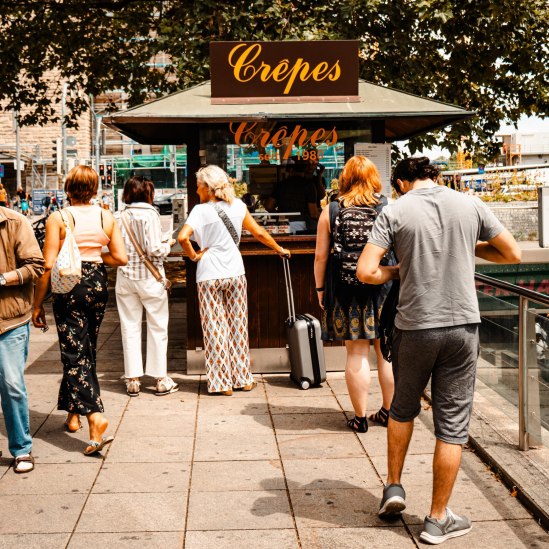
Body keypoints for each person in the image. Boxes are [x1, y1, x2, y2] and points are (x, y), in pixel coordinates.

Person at [357, 157, 521, 544]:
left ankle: (394, 487)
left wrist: (398, 270)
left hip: (413, 327)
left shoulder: (395, 210)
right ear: (437, 176)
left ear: (399, 183)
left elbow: (366, 272)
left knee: (402, 409)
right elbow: (511, 253)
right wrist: (466, 248)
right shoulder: (470, 204)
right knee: (452, 426)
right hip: (463, 327)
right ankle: (436, 518)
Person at [32, 165, 128, 456]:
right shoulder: (106, 216)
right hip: (98, 283)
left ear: (68, 188)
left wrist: (37, 303)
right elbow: (120, 257)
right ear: (96, 188)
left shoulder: (58, 218)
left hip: (68, 286)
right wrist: (94, 254)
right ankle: (72, 415)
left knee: (73, 352)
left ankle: (94, 416)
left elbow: (48, 265)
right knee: (85, 349)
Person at [178, 165, 291, 395]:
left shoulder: (200, 211)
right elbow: (259, 233)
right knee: (238, 328)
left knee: (215, 329)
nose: (197, 189)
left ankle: (222, 383)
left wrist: (194, 256)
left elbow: (182, 237)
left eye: (199, 185)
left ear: (208, 188)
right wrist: (279, 249)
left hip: (209, 275)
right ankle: (243, 379)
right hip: (236, 273)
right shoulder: (238, 206)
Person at [314, 155, 394, 434]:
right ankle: (389, 412)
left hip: (346, 288)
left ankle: (359, 418)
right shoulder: (387, 207)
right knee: (385, 352)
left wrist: (320, 289)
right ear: (374, 178)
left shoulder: (332, 210)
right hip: (384, 286)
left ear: (345, 179)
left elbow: (321, 257)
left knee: (356, 353)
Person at [115, 176, 179, 397]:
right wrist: (167, 244)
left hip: (125, 278)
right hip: (150, 280)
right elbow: (154, 249)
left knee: (129, 326)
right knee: (158, 326)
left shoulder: (119, 215)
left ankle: (132, 379)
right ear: (148, 193)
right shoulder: (151, 214)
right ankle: (160, 378)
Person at [0, 206, 44, 473]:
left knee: (12, 384)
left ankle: (22, 449)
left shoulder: (15, 222)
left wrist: (4, 278)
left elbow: (36, 266)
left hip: (10, 320)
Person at [266, 161, 320, 233]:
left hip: (282, 224)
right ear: (305, 170)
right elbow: (313, 213)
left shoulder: (281, 185)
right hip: (301, 223)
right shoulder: (309, 185)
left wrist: (279, 216)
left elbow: (269, 206)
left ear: (291, 170)